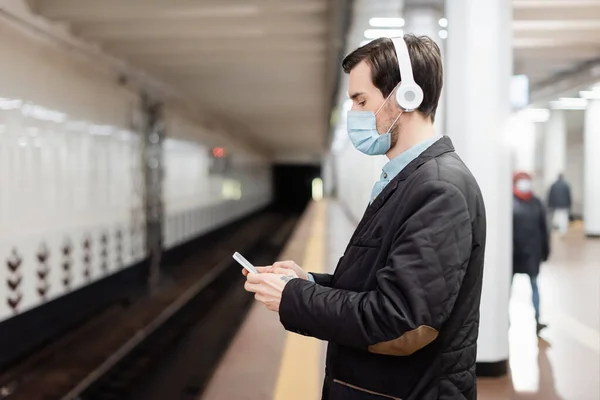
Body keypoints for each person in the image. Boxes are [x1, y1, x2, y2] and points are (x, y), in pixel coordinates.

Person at [242, 35, 486, 400]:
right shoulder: (408, 180)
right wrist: (308, 281)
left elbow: (398, 321)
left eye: (361, 100)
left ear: (406, 97)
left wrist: (294, 298)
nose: (354, 115)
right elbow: (380, 286)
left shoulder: (439, 190)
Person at [512, 172, 550, 334]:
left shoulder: (537, 203)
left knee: (534, 285)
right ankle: (503, 319)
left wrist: (546, 250)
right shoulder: (510, 202)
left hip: (532, 252)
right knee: (507, 287)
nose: (524, 183)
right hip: (513, 254)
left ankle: (537, 319)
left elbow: (544, 228)